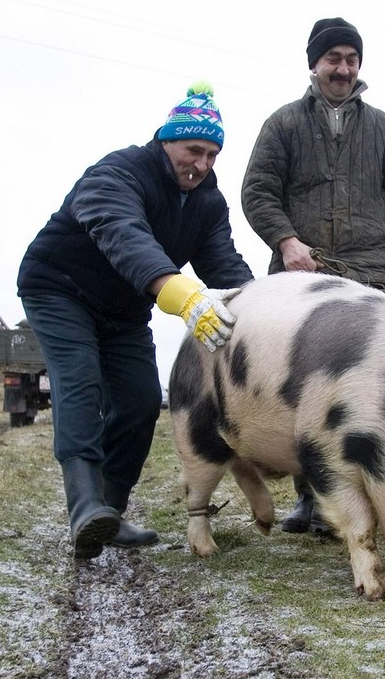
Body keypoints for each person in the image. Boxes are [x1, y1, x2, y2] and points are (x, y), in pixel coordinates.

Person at [17, 83, 254, 560]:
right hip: (60, 287)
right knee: (79, 382)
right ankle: (84, 504)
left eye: (212, 154)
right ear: (167, 140)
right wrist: (180, 294)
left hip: (124, 308)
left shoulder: (208, 203)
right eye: (193, 150)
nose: (202, 164)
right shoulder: (118, 172)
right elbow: (122, 234)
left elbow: (225, 266)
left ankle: (108, 513)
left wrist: (267, 303)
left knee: (141, 400)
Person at [241, 17, 385, 536]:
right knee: (306, 389)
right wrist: (286, 242)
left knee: (371, 388)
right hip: (301, 277)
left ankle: (377, 497)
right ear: (314, 64)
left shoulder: (383, 128)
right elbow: (257, 191)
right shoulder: (283, 125)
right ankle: (315, 499)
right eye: (333, 59)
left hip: (368, 276)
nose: (343, 69)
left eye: (351, 59)